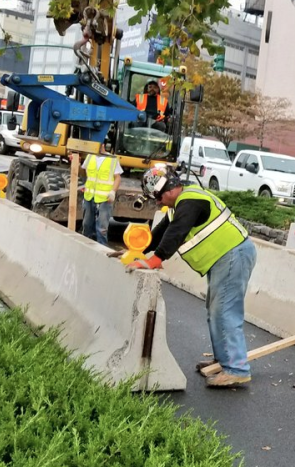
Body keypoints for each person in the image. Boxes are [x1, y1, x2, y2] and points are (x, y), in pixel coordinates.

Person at [114, 165, 256, 388]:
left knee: (224, 311)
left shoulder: (190, 202)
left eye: (158, 197)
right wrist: (136, 252)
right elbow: (159, 234)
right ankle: (224, 361)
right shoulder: (179, 205)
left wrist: (154, 261)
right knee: (215, 310)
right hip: (225, 257)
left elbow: (176, 233)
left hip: (232, 254)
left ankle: (236, 369)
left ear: (168, 188)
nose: (158, 202)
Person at [81, 144, 122, 246]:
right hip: (89, 195)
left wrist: (113, 192)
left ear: (103, 145)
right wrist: (75, 163)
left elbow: (117, 177)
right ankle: (85, 245)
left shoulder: (112, 159)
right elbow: (83, 172)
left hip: (105, 198)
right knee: (87, 224)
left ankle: (102, 248)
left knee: (102, 228)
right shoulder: (90, 156)